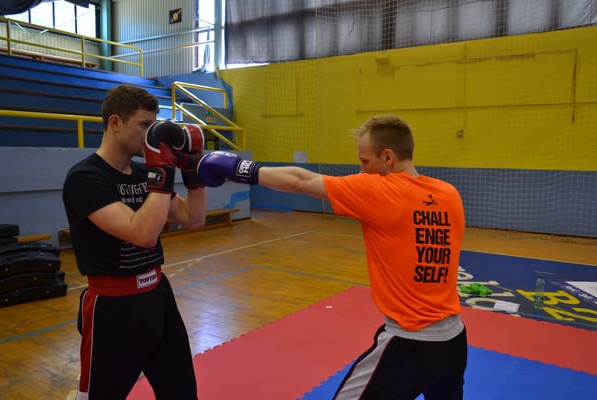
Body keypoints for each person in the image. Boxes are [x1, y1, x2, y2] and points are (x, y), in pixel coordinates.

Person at [195, 114, 467, 399]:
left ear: (388, 157)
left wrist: (235, 167)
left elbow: (301, 181)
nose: (362, 170)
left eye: (365, 162)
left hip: (409, 343)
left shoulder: (380, 190)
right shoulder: (449, 193)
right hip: (454, 339)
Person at [62, 84, 207, 400]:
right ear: (115, 123)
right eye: (144, 126)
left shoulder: (144, 173)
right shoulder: (85, 177)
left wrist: (193, 173)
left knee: (182, 392)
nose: (152, 136)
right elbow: (142, 234)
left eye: (155, 127)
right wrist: (163, 171)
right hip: (114, 306)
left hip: (158, 297)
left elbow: (194, 218)